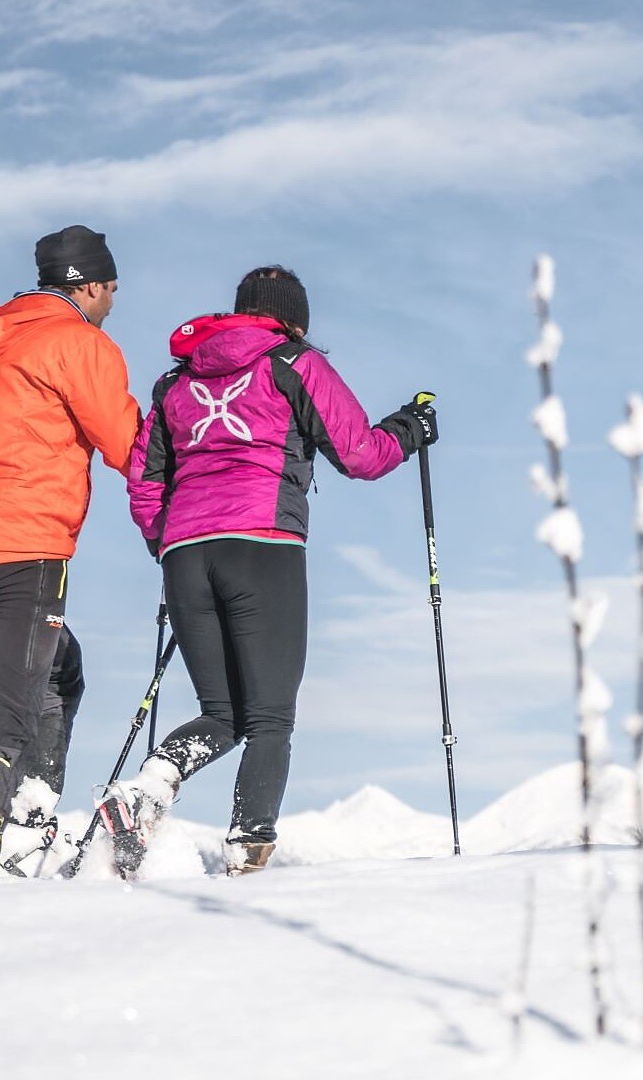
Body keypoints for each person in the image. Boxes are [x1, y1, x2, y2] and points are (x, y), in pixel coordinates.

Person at [107, 265, 437, 877]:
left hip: (185, 556)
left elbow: (145, 483)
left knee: (223, 712)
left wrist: (168, 545)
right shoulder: (293, 363)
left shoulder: (173, 385)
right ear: (294, 319)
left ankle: (147, 789)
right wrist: (409, 429)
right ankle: (248, 855)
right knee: (269, 719)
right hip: (263, 546)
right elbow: (360, 455)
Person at [0, 225, 141, 878]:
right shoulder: (80, 343)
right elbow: (130, 447)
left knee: (55, 671)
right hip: (25, 545)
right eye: (111, 291)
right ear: (93, 285)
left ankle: (28, 823)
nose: (111, 304)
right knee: (6, 723)